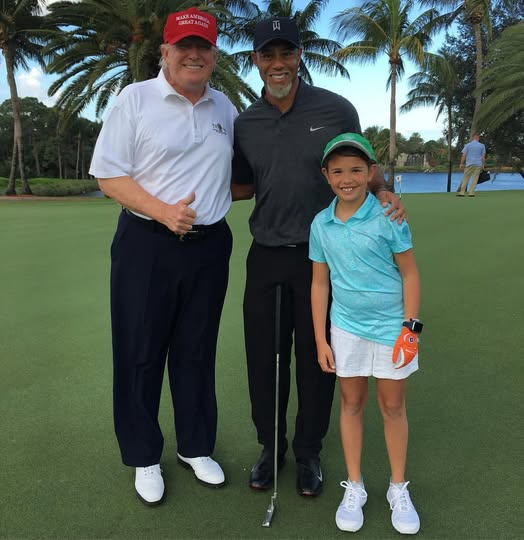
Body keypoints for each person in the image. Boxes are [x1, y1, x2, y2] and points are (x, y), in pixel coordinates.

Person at [231, 16, 406, 498]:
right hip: (266, 255)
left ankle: (309, 451)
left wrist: (385, 191)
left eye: (286, 53)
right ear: (256, 61)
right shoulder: (246, 123)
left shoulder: (335, 108)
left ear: (299, 56)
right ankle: (271, 449)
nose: (278, 63)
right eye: (268, 55)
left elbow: (361, 166)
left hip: (325, 260)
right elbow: (240, 185)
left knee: (317, 359)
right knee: (264, 360)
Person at [89, 7, 237, 506]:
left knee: (196, 350)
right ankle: (144, 455)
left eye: (203, 47)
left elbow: (240, 176)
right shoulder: (135, 99)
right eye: (184, 46)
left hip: (209, 247)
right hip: (146, 244)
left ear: (213, 55)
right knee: (140, 351)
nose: (194, 55)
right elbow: (109, 175)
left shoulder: (224, 109)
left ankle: (195, 447)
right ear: (165, 51)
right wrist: (164, 211)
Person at [310, 133, 421, 535]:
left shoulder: (389, 215)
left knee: (392, 407)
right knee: (351, 404)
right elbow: (319, 283)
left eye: (356, 170)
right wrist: (321, 339)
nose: (347, 179)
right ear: (326, 175)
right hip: (346, 328)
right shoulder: (321, 224)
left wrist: (410, 329)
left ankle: (397, 487)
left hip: (392, 328)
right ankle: (354, 485)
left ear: (371, 172)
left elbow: (410, 274)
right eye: (338, 171)